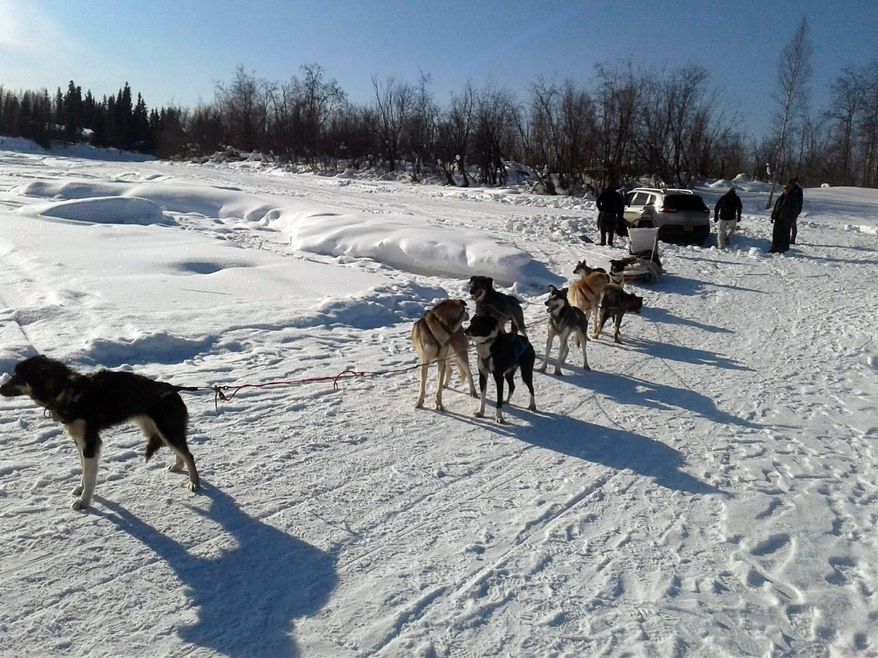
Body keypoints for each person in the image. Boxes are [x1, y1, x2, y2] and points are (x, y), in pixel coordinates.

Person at [769, 182, 797, 253]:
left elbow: (794, 210)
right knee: (776, 234)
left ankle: (784, 249)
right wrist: (773, 216)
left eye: (787, 189)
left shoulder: (792, 198)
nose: (785, 190)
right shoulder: (781, 197)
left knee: (785, 235)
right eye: (784, 188)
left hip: (786, 219)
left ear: (790, 189)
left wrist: (791, 218)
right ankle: (775, 247)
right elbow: (776, 207)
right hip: (778, 218)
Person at [787, 177, 804, 244]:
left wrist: (799, 210)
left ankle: (792, 239)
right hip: (788, 209)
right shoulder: (789, 188)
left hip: (795, 209)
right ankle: (787, 238)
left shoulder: (798, 190)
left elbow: (800, 201)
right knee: (788, 224)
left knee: (793, 224)